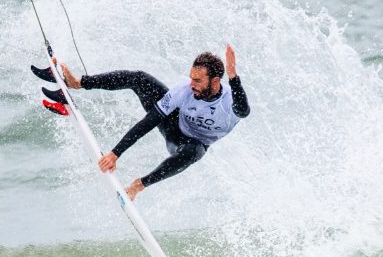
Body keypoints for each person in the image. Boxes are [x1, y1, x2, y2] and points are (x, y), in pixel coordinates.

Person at [32, 45, 249, 199]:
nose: (191, 83)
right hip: (173, 127)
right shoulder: (184, 91)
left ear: (215, 81)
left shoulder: (230, 101)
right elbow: (150, 121)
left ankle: (139, 185)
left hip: (190, 144)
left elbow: (243, 110)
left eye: (198, 80)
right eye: (191, 77)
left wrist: (234, 77)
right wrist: (116, 153)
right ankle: (78, 83)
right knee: (139, 78)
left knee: (194, 152)